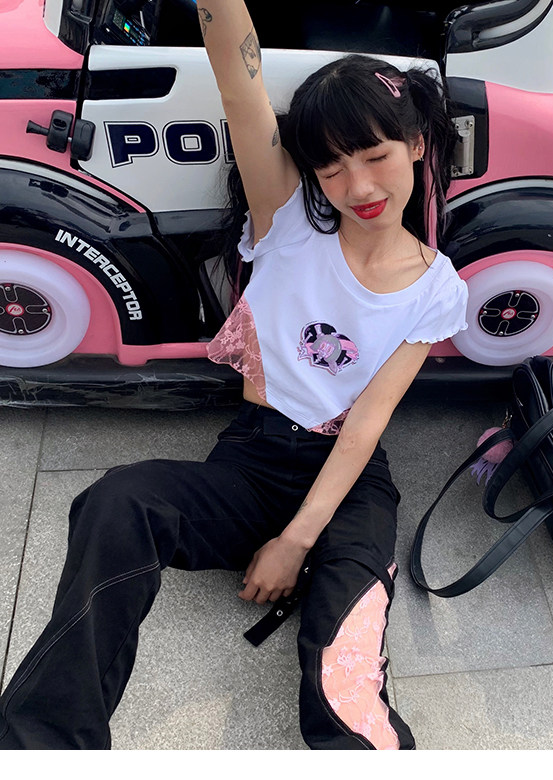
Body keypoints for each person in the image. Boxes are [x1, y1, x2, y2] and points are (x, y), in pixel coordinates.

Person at [0, 0, 467, 750]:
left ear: (416, 144)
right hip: (253, 458)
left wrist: (294, 543)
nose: (358, 185)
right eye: (332, 165)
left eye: (375, 155)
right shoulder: (288, 219)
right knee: (117, 502)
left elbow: (365, 428)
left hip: (349, 485)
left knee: (346, 667)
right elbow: (236, 79)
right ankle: (42, 745)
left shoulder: (438, 288)